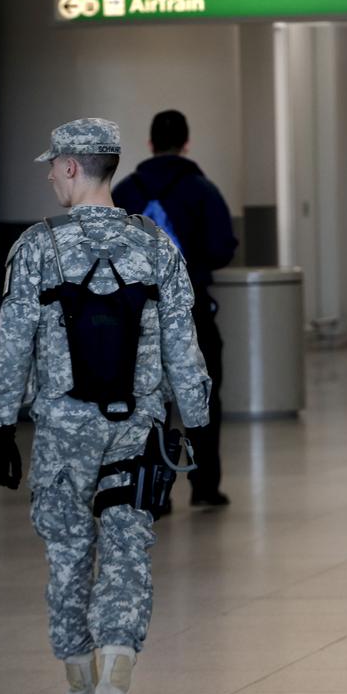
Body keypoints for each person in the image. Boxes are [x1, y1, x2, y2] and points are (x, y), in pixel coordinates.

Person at [0, 118, 210, 694]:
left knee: (67, 559)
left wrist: (0, 427)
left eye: (51, 168)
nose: (51, 179)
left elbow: (11, 346)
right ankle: (114, 691)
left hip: (62, 436)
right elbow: (182, 348)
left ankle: (81, 692)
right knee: (127, 554)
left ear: (68, 167)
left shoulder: (36, 247)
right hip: (135, 432)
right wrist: (198, 422)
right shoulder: (155, 245)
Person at [113, 109, 237, 508]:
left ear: (149, 144)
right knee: (201, 393)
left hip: (135, 313)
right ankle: (204, 487)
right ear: (187, 143)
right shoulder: (202, 190)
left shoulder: (126, 191)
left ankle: (154, 490)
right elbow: (221, 248)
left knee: (147, 399)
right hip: (191, 309)